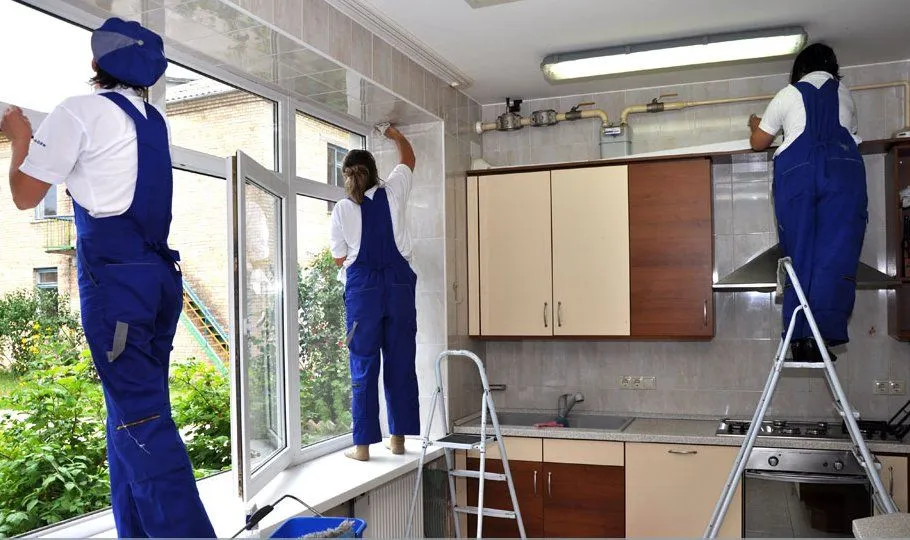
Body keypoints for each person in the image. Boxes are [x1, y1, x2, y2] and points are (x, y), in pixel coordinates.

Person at [1, 17, 216, 537]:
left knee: (142, 422)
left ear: (96, 63)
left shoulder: (80, 110)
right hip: (158, 282)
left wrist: (20, 139)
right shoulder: (153, 122)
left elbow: (26, 195)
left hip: (119, 289)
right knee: (129, 410)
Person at [748, 43, 867, 362]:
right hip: (843, 174)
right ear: (833, 70)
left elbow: (759, 143)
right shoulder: (845, 95)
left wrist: (755, 123)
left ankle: (799, 339)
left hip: (798, 175)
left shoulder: (787, 94)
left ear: (798, 71)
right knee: (836, 253)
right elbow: (849, 132)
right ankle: (821, 337)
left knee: (799, 254)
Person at [330, 125, 419, 461]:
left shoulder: (342, 209)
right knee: (400, 360)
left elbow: (339, 258)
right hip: (399, 287)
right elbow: (409, 157)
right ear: (374, 171)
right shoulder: (394, 191)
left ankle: (363, 447)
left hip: (363, 292)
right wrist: (394, 134)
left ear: (347, 176)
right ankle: (397, 440)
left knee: (363, 365)